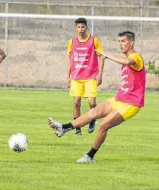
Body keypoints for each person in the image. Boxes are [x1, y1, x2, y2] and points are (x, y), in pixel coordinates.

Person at [48, 31, 146, 162]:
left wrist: (107, 55)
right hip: (120, 98)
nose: (120, 44)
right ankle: (63, 128)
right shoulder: (126, 59)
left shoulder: (136, 57)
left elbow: (128, 61)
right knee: (94, 112)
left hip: (131, 104)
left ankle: (90, 156)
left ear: (131, 42)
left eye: (123, 41)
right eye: (119, 41)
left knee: (103, 125)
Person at [67, 17, 105, 136]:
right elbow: (70, 60)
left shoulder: (94, 40)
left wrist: (100, 74)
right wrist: (68, 76)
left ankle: (92, 119)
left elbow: (102, 57)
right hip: (76, 77)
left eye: (83, 27)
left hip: (90, 76)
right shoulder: (72, 42)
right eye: (78, 27)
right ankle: (77, 128)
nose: (81, 29)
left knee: (92, 103)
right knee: (76, 102)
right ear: (76, 28)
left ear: (86, 27)